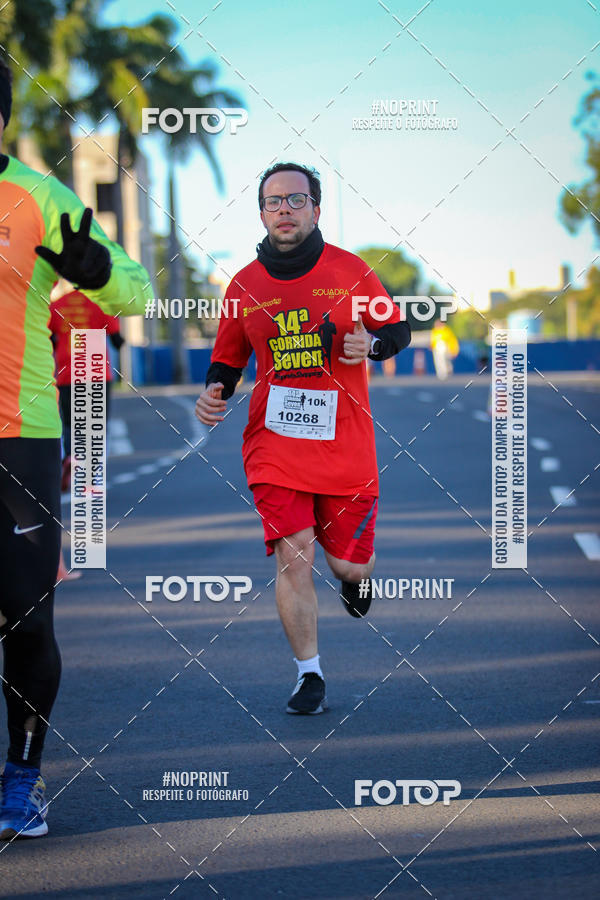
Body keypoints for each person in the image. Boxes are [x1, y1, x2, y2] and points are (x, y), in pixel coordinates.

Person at [195, 162, 411, 715]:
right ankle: (308, 674)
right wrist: (215, 392)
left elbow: (396, 329)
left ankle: (356, 580)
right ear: (262, 212)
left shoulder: (350, 271)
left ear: (317, 207)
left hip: (345, 445)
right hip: (275, 442)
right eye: (273, 202)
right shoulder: (243, 285)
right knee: (294, 555)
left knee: (347, 566)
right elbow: (227, 356)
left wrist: (375, 348)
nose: (284, 210)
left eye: (295, 200)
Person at [0, 58, 152, 840]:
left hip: (19, 436)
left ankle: (21, 781)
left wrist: (97, 269)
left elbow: (135, 290)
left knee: (24, 622)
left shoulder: (36, 197)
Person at [49, 279, 125, 492]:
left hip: (67, 373)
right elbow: (117, 340)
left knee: (70, 424)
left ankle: (71, 456)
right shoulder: (101, 303)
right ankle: (91, 478)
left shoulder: (57, 305)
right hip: (96, 372)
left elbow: (49, 338)